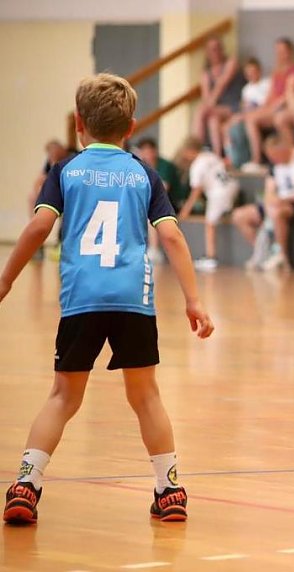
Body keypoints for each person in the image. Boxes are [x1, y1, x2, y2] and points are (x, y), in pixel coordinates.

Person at [1, 73, 214, 526]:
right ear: (131, 127)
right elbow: (172, 237)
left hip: (83, 298)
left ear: (79, 123)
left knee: (63, 396)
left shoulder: (65, 171)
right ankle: (170, 489)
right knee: (146, 396)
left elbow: (39, 227)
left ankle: (26, 485)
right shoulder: (144, 174)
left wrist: (6, 279)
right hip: (133, 299)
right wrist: (194, 300)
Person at [232, 133, 294, 272]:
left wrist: (282, 200)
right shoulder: (274, 165)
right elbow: (269, 191)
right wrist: (270, 203)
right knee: (239, 215)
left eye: (274, 156)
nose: (273, 159)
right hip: (277, 203)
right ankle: (264, 252)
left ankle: (282, 256)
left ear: (283, 150)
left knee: (277, 213)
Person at [177, 137, 240, 271]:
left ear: (190, 150)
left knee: (209, 224)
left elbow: (196, 190)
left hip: (218, 193)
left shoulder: (197, 165)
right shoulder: (210, 155)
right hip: (231, 186)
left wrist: (186, 210)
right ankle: (227, 210)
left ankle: (211, 257)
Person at [243, 38, 294, 171]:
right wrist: (263, 108)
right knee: (250, 118)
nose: (280, 54)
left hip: (284, 107)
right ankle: (257, 160)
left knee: (278, 119)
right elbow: (270, 95)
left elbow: (288, 93)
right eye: (278, 51)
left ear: (290, 52)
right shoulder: (276, 71)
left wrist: (274, 106)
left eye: (283, 51)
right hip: (273, 107)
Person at [192, 37, 244, 158]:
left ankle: (195, 147)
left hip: (234, 106)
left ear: (222, 49)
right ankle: (217, 155)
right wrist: (208, 106)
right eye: (212, 49)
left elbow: (221, 85)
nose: (216, 52)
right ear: (207, 52)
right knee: (212, 120)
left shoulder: (231, 63)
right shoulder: (206, 73)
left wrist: (208, 107)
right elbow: (206, 96)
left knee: (201, 110)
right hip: (217, 110)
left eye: (218, 48)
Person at [136, 138, 184, 263]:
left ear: (155, 151)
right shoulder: (141, 165)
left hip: (173, 202)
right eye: (143, 151)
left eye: (149, 151)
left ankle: (154, 249)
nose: (147, 154)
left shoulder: (165, 166)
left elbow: (163, 189)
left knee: (151, 215)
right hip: (154, 201)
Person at [223, 57, 271, 167]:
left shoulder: (267, 83)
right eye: (248, 73)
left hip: (261, 112)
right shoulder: (246, 89)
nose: (251, 75)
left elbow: (266, 104)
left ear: (259, 70)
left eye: (253, 71)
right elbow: (244, 106)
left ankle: (256, 158)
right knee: (226, 127)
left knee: (246, 121)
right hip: (247, 114)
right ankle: (231, 158)